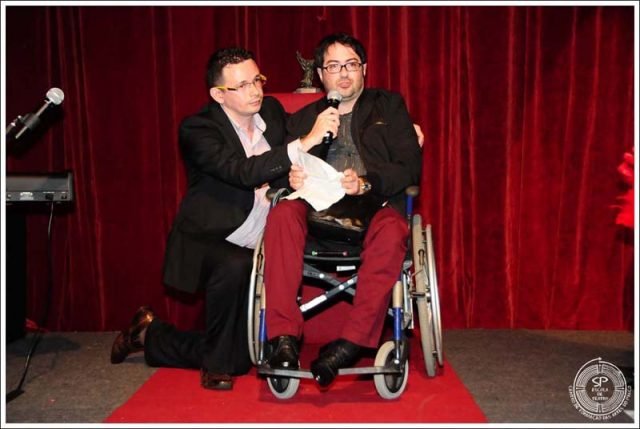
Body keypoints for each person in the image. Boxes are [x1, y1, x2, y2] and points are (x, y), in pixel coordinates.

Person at [109, 47, 329, 390]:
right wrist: (304, 143)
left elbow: (308, 128)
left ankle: (149, 334)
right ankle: (214, 366)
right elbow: (242, 172)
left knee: (240, 358)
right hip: (210, 240)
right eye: (242, 85)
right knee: (235, 266)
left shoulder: (270, 111)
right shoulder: (198, 129)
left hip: (258, 240)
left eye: (257, 80)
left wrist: (394, 130)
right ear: (218, 94)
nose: (255, 90)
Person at [262, 32, 423, 388]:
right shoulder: (304, 119)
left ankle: (350, 343)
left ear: (364, 68)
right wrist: (293, 175)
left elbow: (409, 168)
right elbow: (279, 174)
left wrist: (366, 182)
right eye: (334, 66)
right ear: (321, 74)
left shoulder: (389, 107)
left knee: (394, 230)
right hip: (316, 209)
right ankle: (283, 338)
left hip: (373, 204)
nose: (344, 73)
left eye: (351, 64)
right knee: (281, 215)